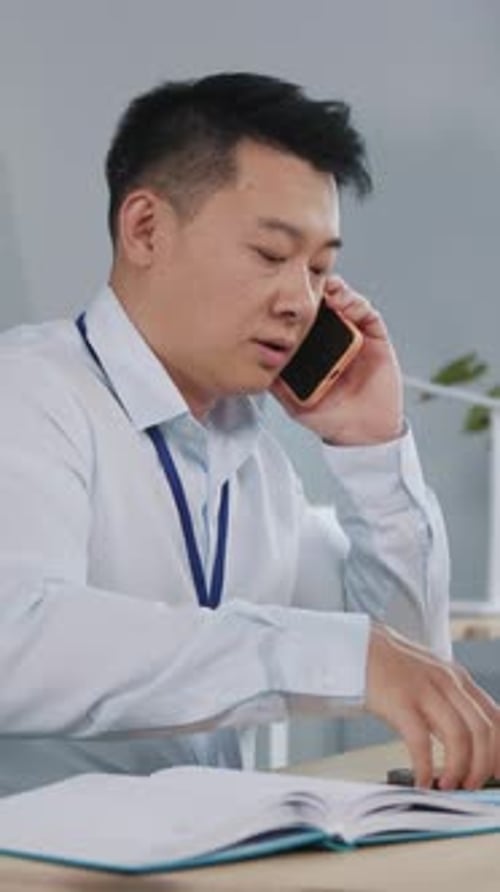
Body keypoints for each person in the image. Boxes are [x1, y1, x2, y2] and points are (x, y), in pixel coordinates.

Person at [0, 72, 498, 795]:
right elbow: (18, 637)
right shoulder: (28, 393)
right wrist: (332, 656)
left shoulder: (254, 460)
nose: (301, 301)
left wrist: (373, 449)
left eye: (321, 267)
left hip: (211, 861)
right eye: (271, 254)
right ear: (145, 229)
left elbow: (411, 660)